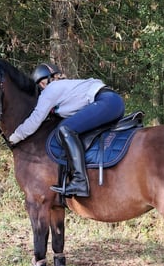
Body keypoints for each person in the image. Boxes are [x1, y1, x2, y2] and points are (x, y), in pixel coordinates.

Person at [8, 62, 125, 197]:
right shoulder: (68, 89)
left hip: (107, 102)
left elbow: (36, 119)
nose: (42, 87)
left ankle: (80, 181)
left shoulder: (52, 89)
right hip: (111, 102)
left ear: (49, 80)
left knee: (65, 129)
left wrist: (16, 136)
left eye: (42, 83)